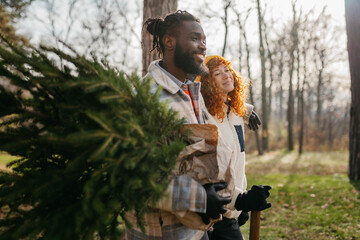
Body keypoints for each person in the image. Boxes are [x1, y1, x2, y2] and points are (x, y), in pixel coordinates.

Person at [196, 55, 271, 240]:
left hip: (231, 209)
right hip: (212, 212)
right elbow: (212, 170)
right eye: (217, 73)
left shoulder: (235, 112)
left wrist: (248, 111)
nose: (226, 75)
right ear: (207, 83)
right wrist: (240, 200)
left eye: (227, 70)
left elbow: (236, 161)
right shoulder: (204, 118)